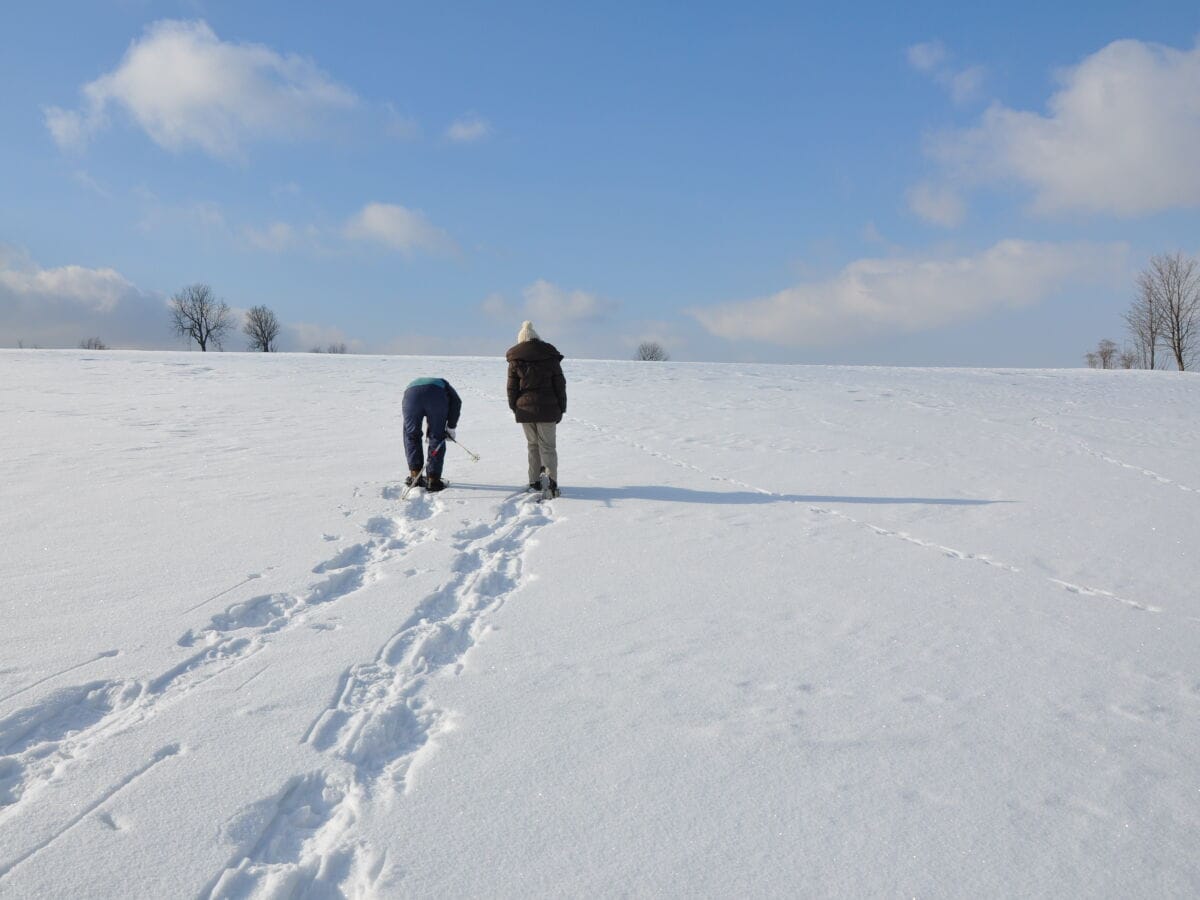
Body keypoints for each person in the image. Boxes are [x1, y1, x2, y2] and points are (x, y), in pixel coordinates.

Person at [505, 321, 567, 496]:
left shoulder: (515, 359)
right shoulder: (550, 356)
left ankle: (534, 481)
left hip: (525, 410)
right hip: (548, 409)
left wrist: (515, 407)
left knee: (532, 445)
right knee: (547, 446)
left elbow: (511, 388)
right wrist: (561, 408)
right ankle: (551, 482)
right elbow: (560, 384)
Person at [402, 376, 462, 492]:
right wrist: (451, 427)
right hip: (436, 396)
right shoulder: (445, 385)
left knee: (411, 435)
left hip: (410, 397)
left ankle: (415, 476)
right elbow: (456, 402)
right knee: (437, 436)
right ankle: (433, 480)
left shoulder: (415, 383)